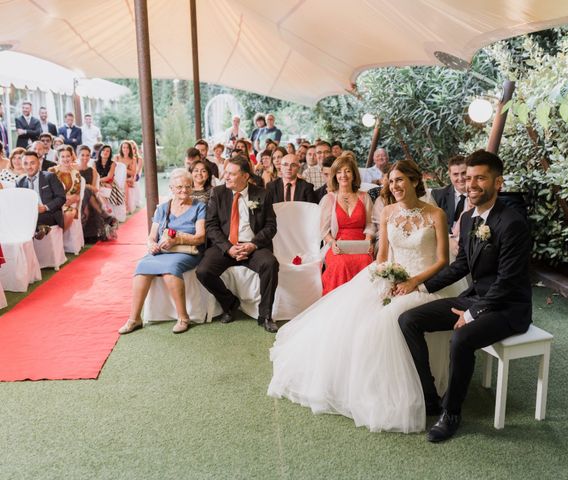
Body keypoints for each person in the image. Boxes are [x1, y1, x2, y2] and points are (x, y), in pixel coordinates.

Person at [269, 160, 462, 433]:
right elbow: (382, 256)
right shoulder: (388, 213)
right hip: (391, 277)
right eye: (391, 182)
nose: (394, 187)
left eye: (399, 181)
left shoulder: (435, 215)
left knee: (384, 322)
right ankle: (363, 385)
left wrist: (413, 282)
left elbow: (443, 260)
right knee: (350, 318)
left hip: (423, 282)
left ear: (414, 182)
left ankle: (419, 391)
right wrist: (383, 279)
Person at [398, 150, 533, 443]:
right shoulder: (470, 217)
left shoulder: (513, 223)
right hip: (475, 298)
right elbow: (461, 266)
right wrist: (421, 286)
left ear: (498, 183)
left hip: (508, 308)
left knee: (461, 338)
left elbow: (508, 282)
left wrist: (472, 314)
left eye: (480, 178)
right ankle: (431, 396)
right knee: (408, 320)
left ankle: (451, 413)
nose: (471, 184)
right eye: (469, 177)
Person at [195, 155, 279, 333]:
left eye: (232, 174)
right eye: (226, 173)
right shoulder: (218, 193)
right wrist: (228, 248)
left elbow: (271, 226)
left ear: (245, 176)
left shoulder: (261, 194)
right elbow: (211, 226)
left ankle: (265, 315)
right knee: (203, 271)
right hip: (225, 246)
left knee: (270, 264)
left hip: (252, 246)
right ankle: (230, 303)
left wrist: (253, 245)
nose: (226, 177)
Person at [119, 168, 206, 335]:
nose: (184, 190)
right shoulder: (163, 208)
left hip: (187, 251)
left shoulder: (199, 207)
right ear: (171, 189)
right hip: (162, 251)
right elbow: (151, 236)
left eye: (188, 186)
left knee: (170, 269)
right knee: (142, 267)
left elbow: (200, 237)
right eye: (179, 187)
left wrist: (178, 239)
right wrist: (151, 244)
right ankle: (134, 318)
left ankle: (183, 317)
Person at [320, 154, 374, 294]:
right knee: (340, 263)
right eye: (339, 172)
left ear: (354, 174)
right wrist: (332, 243)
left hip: (361, 245)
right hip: (338, 245)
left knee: (366, 261)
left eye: (347, 171)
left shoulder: (364, 197)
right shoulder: (329, 199)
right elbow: (324, 231)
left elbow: (369, 224)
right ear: (334, 176)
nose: (343, 175)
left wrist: (368, 241)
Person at [16, 150, 66, 239]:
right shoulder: (20, 181)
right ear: (22, 165)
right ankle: (40, 228)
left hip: (49, 213)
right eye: (26, 163)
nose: (29, 167)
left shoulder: (50, 177)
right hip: (28, 213)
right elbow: (18, 202)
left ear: (38, 163)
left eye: (32, 163)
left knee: (32, 218)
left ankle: (39, 228)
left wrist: (45, 207)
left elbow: (61, 198)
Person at [76, 145, 117, 242]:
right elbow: (75, 186)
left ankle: (88, 235)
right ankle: (105, 216)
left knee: (88, 193)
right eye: (82, 155)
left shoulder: (92, 171)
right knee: (87, 191)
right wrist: (86, 186)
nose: (85, 158)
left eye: (87, 155)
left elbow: (95, 189)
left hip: (89, 196)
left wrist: (87, 187)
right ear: (78, 155)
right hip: (77, 195)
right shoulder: (74, 169)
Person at [48, 145, 82, 230]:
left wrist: (73, 198)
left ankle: (60, 236)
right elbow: (49, 191)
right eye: (62, 156)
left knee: (71, 212)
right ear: (58, 158)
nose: (66, 159)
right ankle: (59, 239)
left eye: (68, 156)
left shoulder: (76, 173)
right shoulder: (52, 171)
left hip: (68, 204)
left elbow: (77, 194)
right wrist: (63, 198)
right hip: (53, 203)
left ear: (72, 157)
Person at [431, 155, 468, 233]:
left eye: (464, 173)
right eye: (455, 174)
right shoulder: (437, 196)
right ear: (450, 175)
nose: (460, 178)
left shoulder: (479, 195)